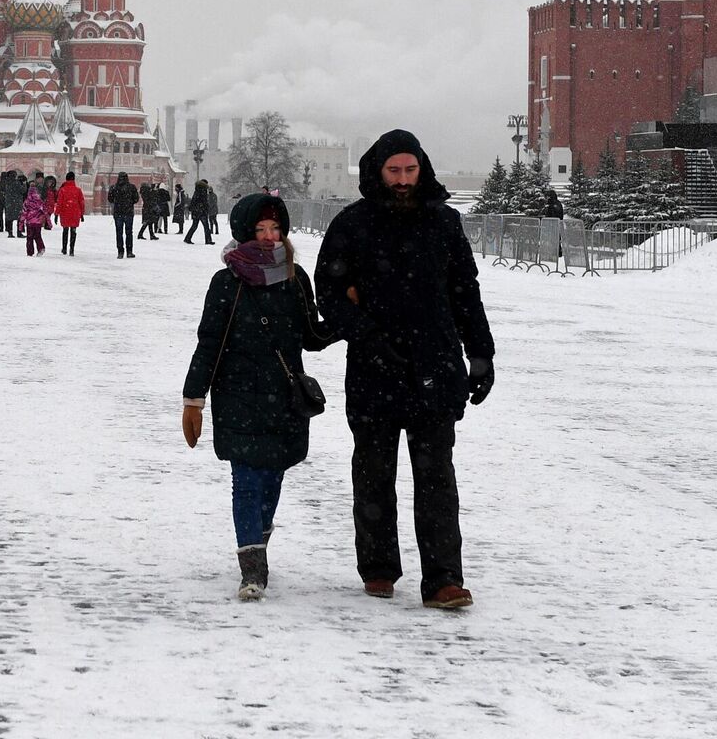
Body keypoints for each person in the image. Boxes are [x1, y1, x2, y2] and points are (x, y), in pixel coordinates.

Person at [314, 130, 495, 610]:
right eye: (393, 171)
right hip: (374, 370)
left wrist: (480, 353)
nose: (401, 180)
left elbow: (465, 291)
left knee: (436, 476)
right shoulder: (352, 225)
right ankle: (378, 566)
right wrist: (367, 335)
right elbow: (328, 294)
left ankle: (442, 578)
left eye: (409, 171)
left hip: (434, 367)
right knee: (373, 471)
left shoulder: (444, 223)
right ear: (377, 171)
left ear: (422, 170)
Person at [181, 194, 338, 600]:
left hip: (284, 399)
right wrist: (193, 399)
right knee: (247, 481)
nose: (270, 238)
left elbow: (312, 336)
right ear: (244, 233)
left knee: (272, 479)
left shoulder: (295, 277)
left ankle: (259, 540)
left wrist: (350, 314)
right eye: (260, 230)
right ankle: (252, 568)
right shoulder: (227, 282)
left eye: (276, 230)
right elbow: (209, 343)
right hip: (238, 398)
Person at [108, 171, 139, 258]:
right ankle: (129, 251)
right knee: (129, 232)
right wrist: (129, 202)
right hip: (128, 212)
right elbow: (136, 199)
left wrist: (117, 202)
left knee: (119, 233)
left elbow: (110, 199)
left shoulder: (114, 188)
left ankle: (120, 252)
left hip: (118, 213)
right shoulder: (132, 187)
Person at [55, 171, 86, 256]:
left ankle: (64, 248)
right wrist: (82, 214)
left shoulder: (62, 190)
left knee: (65, 230)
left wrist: (56, 214)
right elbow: (82, 203)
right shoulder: (78, 190)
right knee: (73, 231)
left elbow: (59, 202)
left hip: (65, 212)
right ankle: (72, 249)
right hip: (75, 213)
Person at [21, 177, 49, 256]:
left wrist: (21, 224)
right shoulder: (39, 201)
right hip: (38, 222)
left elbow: (24, 213)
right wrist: (48, 222)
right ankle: (41, 248)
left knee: (29, 238)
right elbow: (45, 212)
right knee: (38, 236)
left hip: (29, 222)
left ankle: (30, 252)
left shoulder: (27, 201)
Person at [184, 179, 215, 245]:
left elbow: (193, 200)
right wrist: (206, 208)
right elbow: (204, 201)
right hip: (202, 211)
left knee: (194, 226)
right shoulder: (203, 190)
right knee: (206, 226)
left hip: (196, 211)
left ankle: (187, 238)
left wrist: (192, 208)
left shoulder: (197, 190)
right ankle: (208, 240)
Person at [4, 171, 27, 238]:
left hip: (9, 203)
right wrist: (24, 184)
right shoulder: (16, 183)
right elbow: (23, 190)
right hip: (17, 203)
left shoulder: (7, 183)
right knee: (19, 218)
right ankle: (19, 233)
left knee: (9, 219)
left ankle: (10, 233)